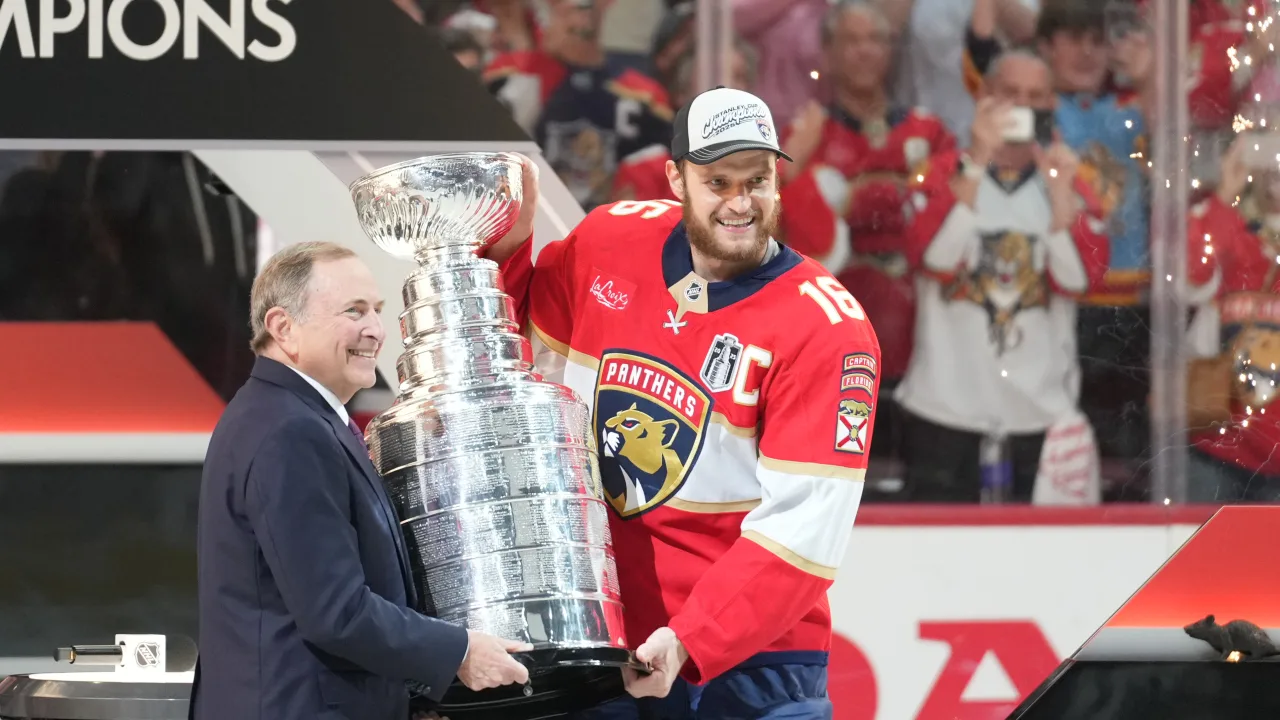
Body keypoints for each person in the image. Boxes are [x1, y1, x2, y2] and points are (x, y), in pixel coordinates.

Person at [485, 86, 881, 718]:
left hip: (751, 664)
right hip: (602, 638)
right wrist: (504, 253)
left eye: (757, 180)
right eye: (717, 181)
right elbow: (522, 373)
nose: (740, 202)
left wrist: (690, 640)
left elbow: (801, 537)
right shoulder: (608, 242)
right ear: (675, 178)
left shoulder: (828, 329)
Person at [190, 242, 532, 720]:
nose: (374, 330)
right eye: (354, 311)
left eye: (377, 310)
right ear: (283, 328)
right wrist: (458, 653)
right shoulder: (289, 431)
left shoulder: (290, 417)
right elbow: (337, 613)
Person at [895, 50, 1109, 502]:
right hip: (945, 410)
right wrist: (976, 161)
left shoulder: (1071, 183)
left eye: (1035, 96)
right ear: (984, 97)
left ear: (1052, 104)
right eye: (1009, 94)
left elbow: (1080, 281)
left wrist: (1060, 200)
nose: (1022, 107)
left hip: (1038, 415)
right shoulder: (938, 173)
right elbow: (936, 259)